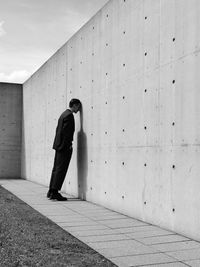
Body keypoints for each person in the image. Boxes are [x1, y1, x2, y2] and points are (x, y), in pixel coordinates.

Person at [47, 98, 81, 201]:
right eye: (78, 107)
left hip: (58, 146)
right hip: (64, 147)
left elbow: (58, 130)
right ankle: (55, 192)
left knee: (56, 169)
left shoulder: (63, 114)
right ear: (74, 105)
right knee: (61, 169)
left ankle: (51, 191)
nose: (78, 109)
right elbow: (67, 133)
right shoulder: (69, 116)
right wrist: (68, 145)